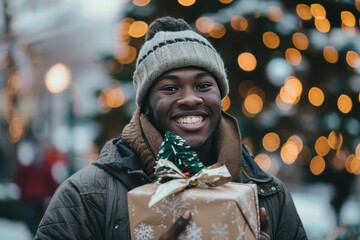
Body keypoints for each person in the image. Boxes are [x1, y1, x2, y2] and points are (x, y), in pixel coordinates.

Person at [35, 16, 307, 239]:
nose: (190, 98)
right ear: (147, 105)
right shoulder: (89, 195)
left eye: (203, 85)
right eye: (170, 88)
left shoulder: (268, 194)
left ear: (219, 97)